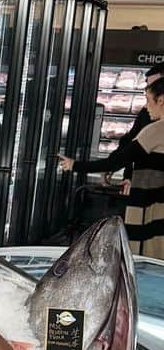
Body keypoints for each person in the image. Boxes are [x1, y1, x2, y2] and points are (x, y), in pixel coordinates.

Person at [60, 76, 164, 255]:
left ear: (161, 100)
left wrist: (75, 165)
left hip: (150, 211)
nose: (146, 107)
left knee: (146, 261)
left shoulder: (155, 131)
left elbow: (117, 161)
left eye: (148, 100)